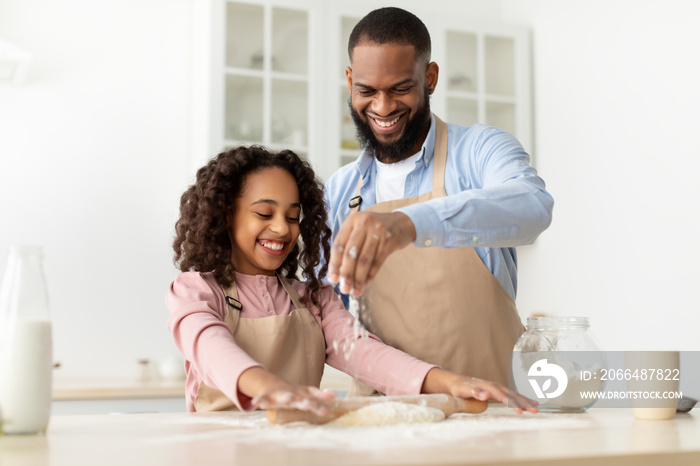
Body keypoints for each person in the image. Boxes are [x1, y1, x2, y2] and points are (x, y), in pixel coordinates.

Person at [166, 145, 538, 414]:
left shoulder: (313, 297)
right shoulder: (196, 291)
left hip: (295, 452)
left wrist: (448, 382)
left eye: (293, 217)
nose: (281, 228)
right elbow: (211, 348)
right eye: (264, 213)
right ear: (225, 215)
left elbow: (363, 352)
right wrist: (266, 387)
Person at [324, 7, 554, 388]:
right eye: (367, 91)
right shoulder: (339, 191)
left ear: (429, 78)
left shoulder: (480, 150)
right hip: (381, 421)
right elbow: (321, 309)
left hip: (490, 410)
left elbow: (534, 206)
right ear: (350, 81)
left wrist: (409, 224)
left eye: (400, 88)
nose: (382, 107)